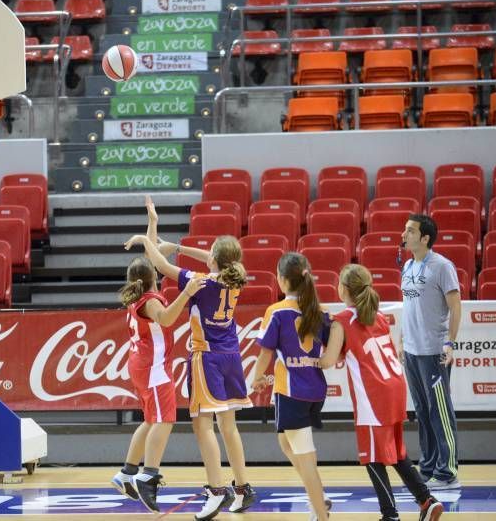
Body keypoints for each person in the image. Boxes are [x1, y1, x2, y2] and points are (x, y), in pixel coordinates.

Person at [126, 222, 256, 521]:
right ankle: (243, 487)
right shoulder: (236, 277)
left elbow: (159, 265)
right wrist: (180, 248)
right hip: (232, 356)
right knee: (229, 427)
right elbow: (217, 258)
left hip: (207, 358)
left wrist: (146, 239)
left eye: (209, 254)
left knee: (203, 427)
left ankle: (216, 490)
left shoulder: (201, 281)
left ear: (213, 260)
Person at [318, 264, 444, 521]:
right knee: (397, 452)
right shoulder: (377, 315)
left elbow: (329, 360)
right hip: (395, 388)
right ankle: (426, 501)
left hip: (374, 396)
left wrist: (307, 359)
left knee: (372, 458)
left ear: (342, 289)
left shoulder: (342, 321)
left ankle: (390, 515)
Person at [111, 255, 204, 513]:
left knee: (152, 420)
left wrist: (151, 225)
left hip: (141, 364)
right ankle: (148, 476)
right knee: (165, 420)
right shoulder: (150, 300)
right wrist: (185, 293)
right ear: (153, 276)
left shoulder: (139, 295)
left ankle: (127, 473)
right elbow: (165, 319)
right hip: (153, 367)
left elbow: (152, 258)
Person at [251, 252, 331, 521]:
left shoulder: (277, 311)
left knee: (304, 454)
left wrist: (255, 377)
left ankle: (319, 509)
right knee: (286, 441)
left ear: (282, 280)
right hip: (314, 390)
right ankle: (318, 495)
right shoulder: (319, 311)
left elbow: (265, 353)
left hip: (292, 391)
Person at [400, 214, 462, 490]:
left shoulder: (442, 266)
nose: (404, 234)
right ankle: (428, 467)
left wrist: (450, 343)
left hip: (434, 351)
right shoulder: (408, 265)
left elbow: (456, 307)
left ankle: (447, 472)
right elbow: (408, 308)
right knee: (422, 411)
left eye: (410, 230)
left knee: (440, 411)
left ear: (425, 238)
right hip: (412, 352)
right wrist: (402, 342)